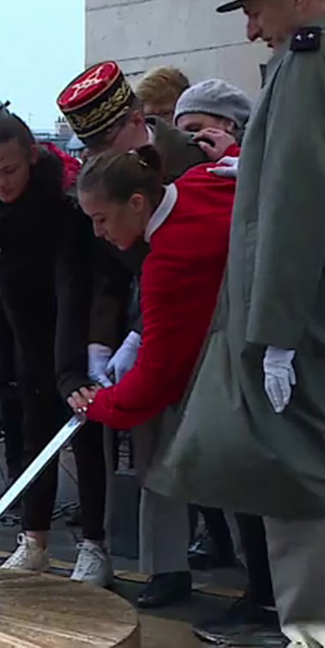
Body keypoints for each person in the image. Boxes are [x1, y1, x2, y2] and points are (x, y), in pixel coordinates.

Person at [152, 0, 325, 646]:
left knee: (299, 491)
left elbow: (297, 205)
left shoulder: (310, 61)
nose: (251, 26)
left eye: (256, 6)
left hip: (309, 313)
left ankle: (323, 637)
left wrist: (275, 334)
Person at [55, 58, 211, 609]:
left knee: (224, 447)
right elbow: (97, 267)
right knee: (153, 452)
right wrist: (105, 341)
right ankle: (166, 566)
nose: (99, 151)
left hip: (204, 319)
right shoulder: (94, 179)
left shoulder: (194, 156)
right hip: (137, 320)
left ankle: (233, 548)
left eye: (106, 137)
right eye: (90, 143)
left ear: (137, 117)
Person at [0, 105, 103, 585]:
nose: (0, 182)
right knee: (32, 443)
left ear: (32, 157)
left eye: (9, 170)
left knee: (88, 443)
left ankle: (95, 545)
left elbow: (73, 285)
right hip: (21, 335)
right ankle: (33, 539)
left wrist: (70, 365)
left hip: (71, 331)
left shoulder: (62, 204)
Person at [172, 76, 254, 575]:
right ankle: (214, 534)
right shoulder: (191, 175)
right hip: (198, 327)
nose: (193, 143)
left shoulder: (251, 166)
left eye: (199, 130)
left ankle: (254, 565)